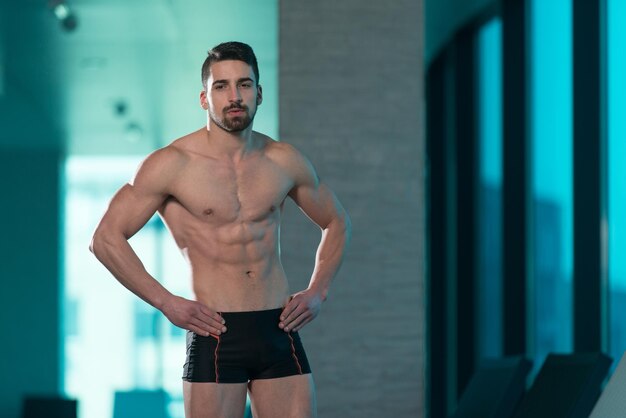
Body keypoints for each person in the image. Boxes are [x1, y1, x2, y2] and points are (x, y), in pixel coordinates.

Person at [89, 41, 351, 418]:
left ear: (258, 94)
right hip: (215, 332)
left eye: (244, 85)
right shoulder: (171, 164)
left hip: (278, 328)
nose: (234, 96)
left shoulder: (283, 160)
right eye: (221, 86)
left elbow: (337, 220)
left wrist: (318, 291)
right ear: (204, 98)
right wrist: (166, 302)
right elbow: (105, 239)